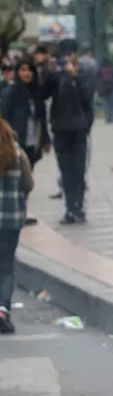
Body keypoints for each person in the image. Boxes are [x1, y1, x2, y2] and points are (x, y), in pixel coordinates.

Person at [46, 40, 95, 225]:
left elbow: (88, 99)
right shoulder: (56, 75)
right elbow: (44, 94)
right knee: (65, 170)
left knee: (79, 170)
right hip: (61, 129)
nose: (66, 58)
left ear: (75, 54)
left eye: (69, 54)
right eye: (63, 55)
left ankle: (79, 207)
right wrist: (49, 74)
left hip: (79, 130)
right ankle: (69, 208)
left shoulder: (84, 73)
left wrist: (75, 77)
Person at [0, 118, 35, 334]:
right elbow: (28, 183)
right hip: (11, 218)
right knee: (5, 265)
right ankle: (3, 308)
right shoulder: (17, 153)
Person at [2, 60, 46, 174]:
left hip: (33, 142)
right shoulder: (10, 92)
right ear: (17, 72)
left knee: (28, 176)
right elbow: (3, 118)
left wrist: (45, 139)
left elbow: (41, 118)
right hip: (15, 143)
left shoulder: (36, 93)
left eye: (30, 70)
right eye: (23, 70)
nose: (27, 73)